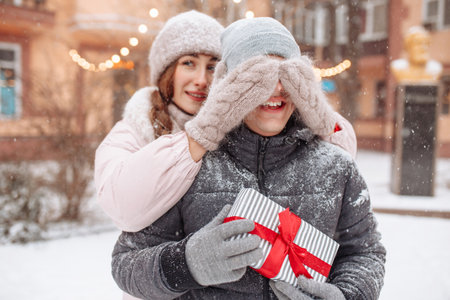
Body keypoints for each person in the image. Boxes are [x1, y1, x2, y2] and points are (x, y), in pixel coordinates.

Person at [111, 17, 386, 300]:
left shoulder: (336, 167)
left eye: (288, 74)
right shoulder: (190, 164)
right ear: (229, 85)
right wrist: (186, 263)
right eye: (258, 76)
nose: (276, 88)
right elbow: (126, 262)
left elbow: (365, 252)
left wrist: (346, 295)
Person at [95, 11, 357, 233]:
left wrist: (316, 112)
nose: (201, 80)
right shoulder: (137, 126)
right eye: (188, 63)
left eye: (212, 67)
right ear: (167, 73)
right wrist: (206, 129)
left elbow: (339, 168)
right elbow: (122, 206)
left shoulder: (255, 123)